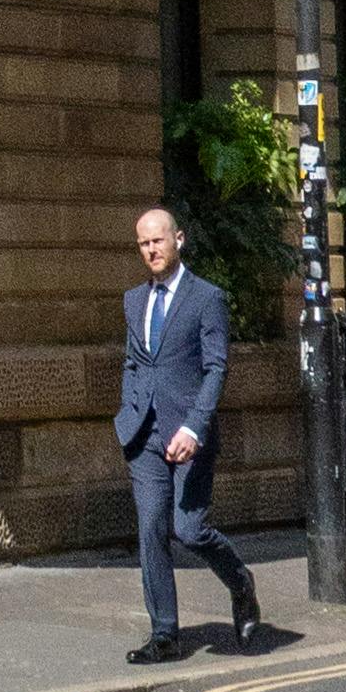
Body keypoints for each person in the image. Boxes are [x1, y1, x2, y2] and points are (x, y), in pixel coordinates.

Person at [116, 201, 268, 661]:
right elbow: (134, 361)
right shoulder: (134, 300)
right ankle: (164, 634)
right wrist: (128, 413)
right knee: (151, 530)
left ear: (178, 240)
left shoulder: (207, 298)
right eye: (143, 243)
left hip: (189, 434)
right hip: (144, 435)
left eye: (157, 240)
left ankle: (240, 581)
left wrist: (194, 427)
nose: (150, 250)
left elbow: (216, 368)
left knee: (189, 529)